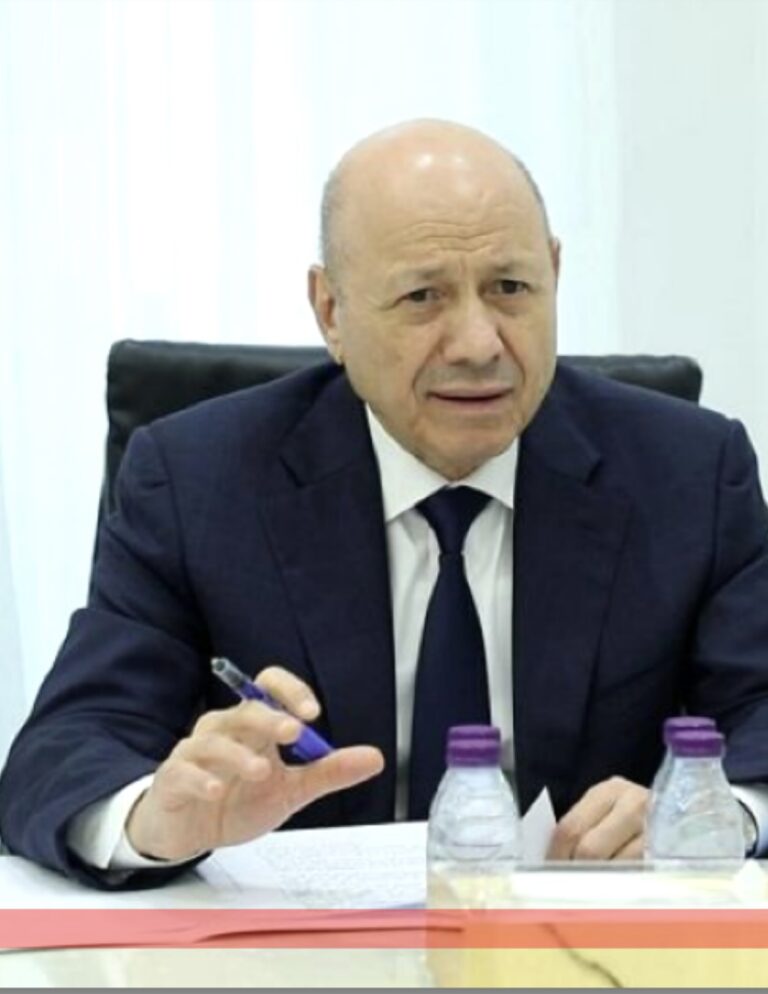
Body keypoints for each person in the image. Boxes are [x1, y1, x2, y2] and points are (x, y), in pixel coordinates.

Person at [2, 120, 768, 888]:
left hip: (585, 938)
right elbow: (67, 748)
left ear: (555, 275)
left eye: (510, 288)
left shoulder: (690, 474)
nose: (478, 344)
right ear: (331, 311)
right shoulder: (196, 482)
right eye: (422, 296)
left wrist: (717, 816)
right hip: (294, 941)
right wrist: (155, 817)